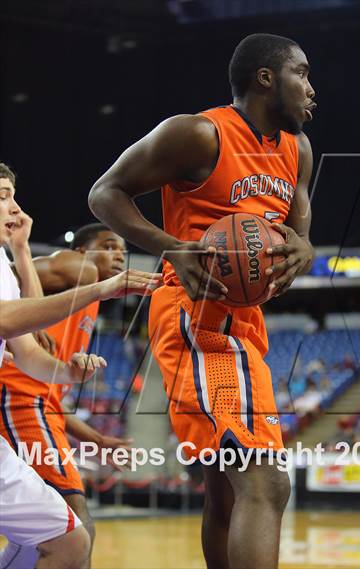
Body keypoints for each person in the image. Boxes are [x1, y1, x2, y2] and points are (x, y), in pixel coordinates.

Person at [89, 33, 316, 569]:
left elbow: (298, 229)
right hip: (196, 315)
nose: (311, 88)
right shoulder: (198, 133)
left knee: (228, 494)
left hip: (246, 325)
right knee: (266, 480)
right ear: (266, 77)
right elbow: (105, 193)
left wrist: (304, 247)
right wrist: (172, 248)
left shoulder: (297, 150)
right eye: (302, 74)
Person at [0, 163, 160, 568]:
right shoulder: (80, 271)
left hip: (37, 404)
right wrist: (100, 282)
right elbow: (13, 314)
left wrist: (19, 249)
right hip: (18, 401)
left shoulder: (78, 312)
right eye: (108, 246)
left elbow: (31, 346)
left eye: (122, 250)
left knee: (65, 536)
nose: (118, 255)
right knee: (75, 526)